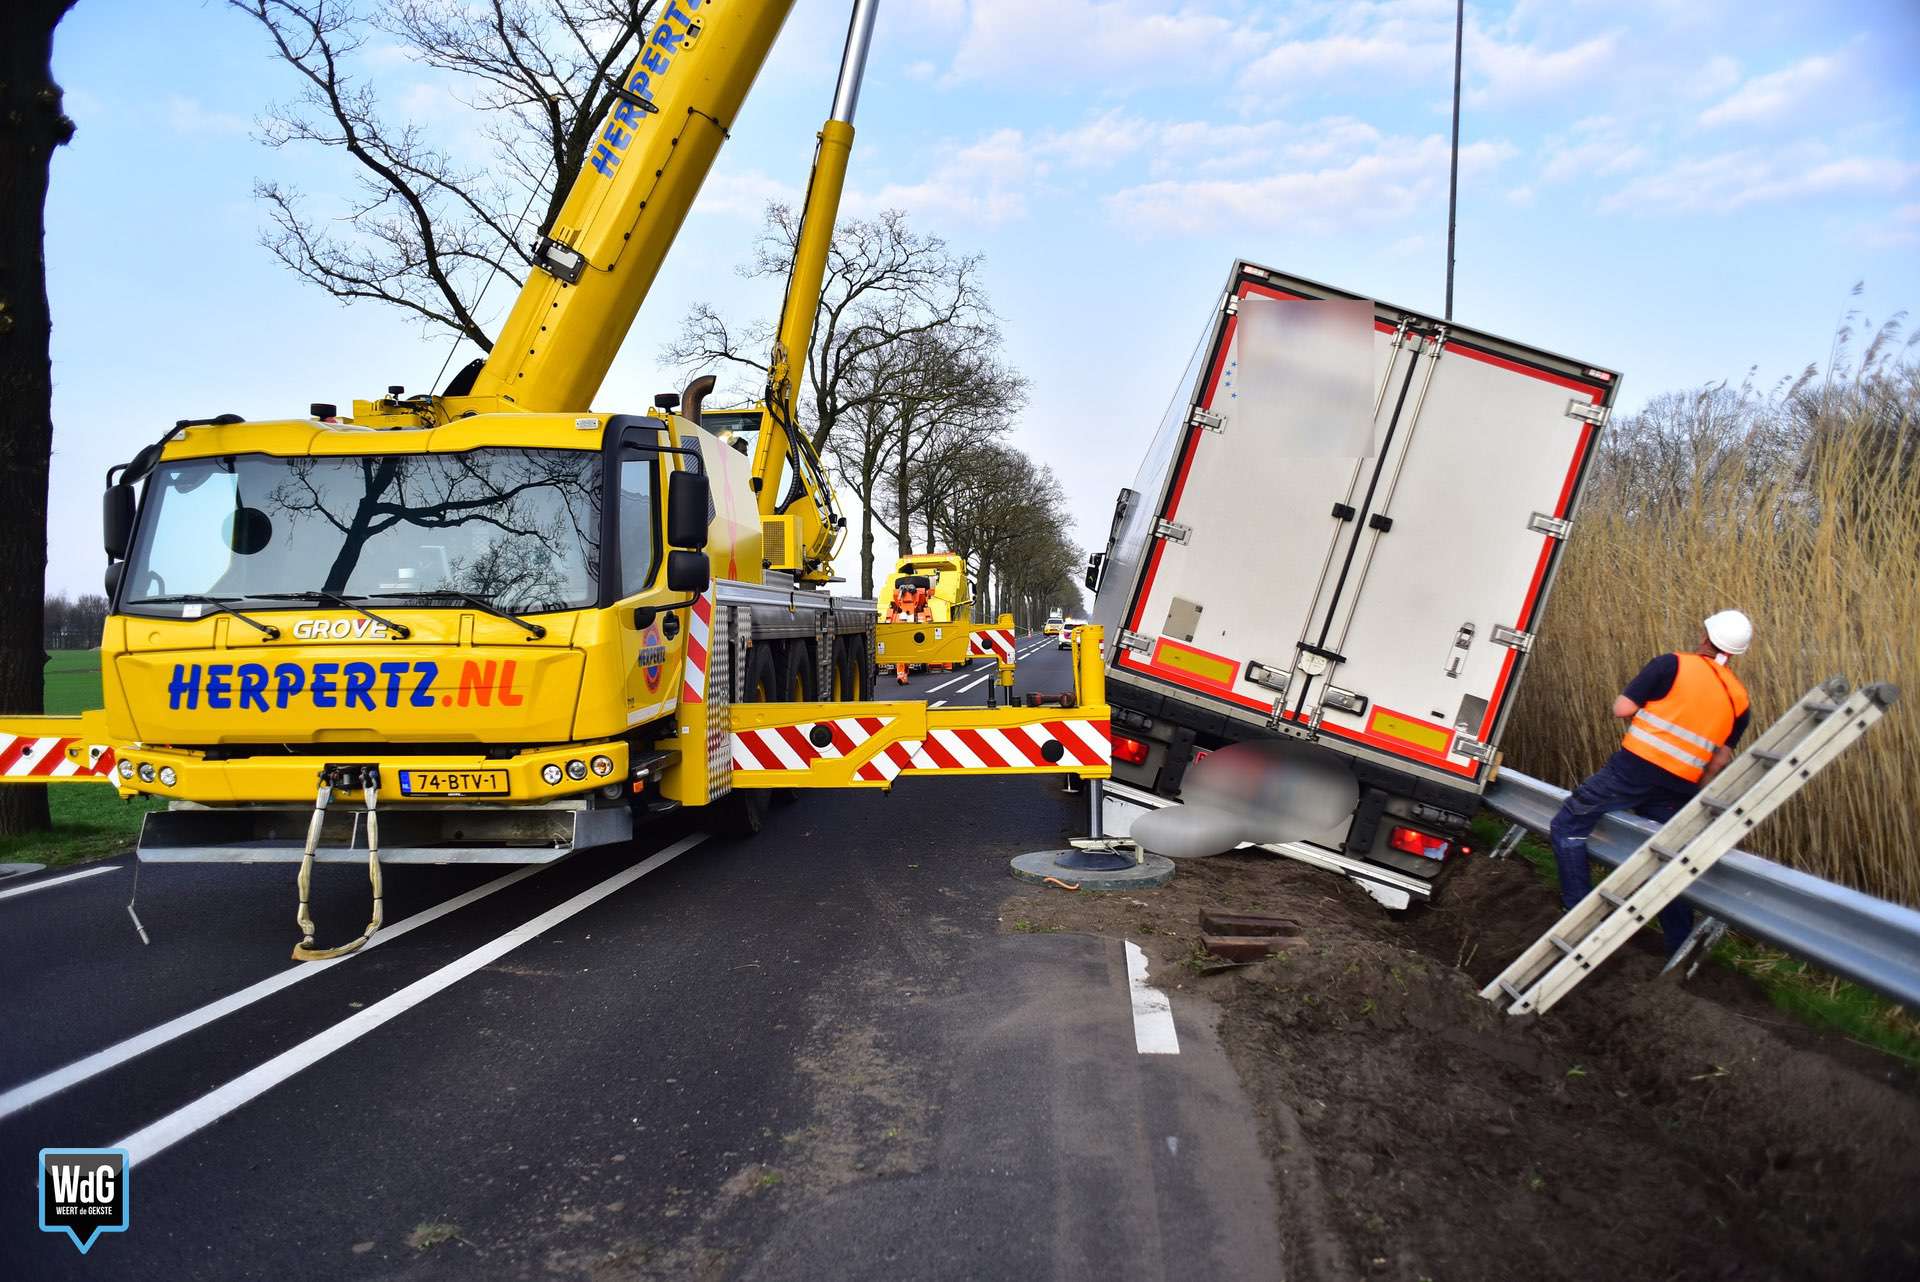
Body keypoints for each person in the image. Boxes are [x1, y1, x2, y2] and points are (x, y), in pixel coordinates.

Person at [1548, 610, 1754, 955]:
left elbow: (1622, 709)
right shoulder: (1740, 699)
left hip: (1632, 771)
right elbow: (1719, 759)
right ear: (1735, 652)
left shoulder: (1671, 664)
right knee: (1666, 860)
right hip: (1680, 787)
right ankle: (1678, 946)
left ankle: (1577, 917)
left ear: (1706, 636)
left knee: (1568, 825)